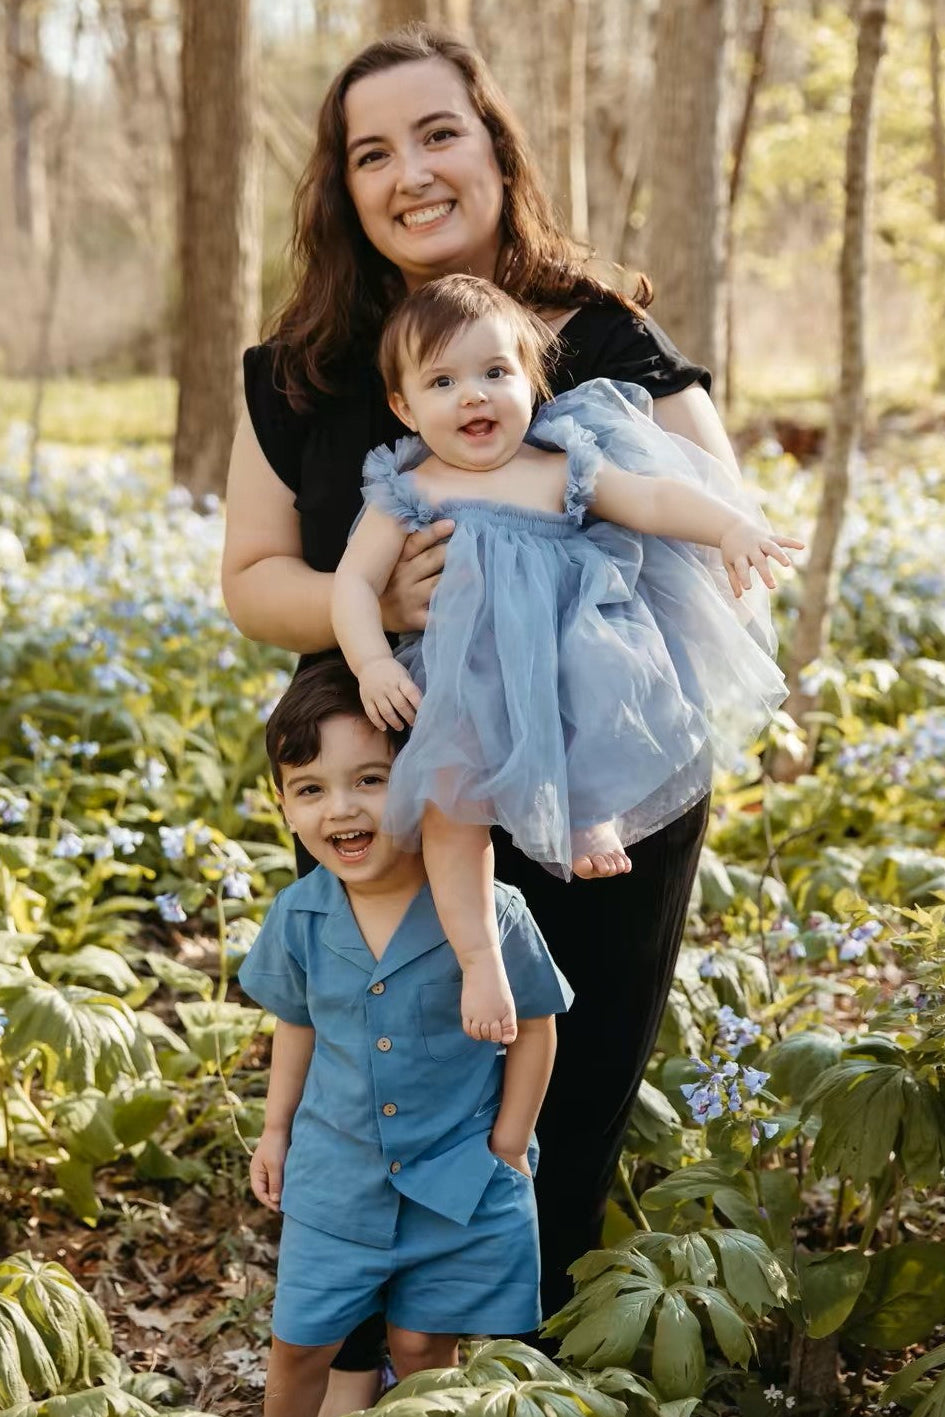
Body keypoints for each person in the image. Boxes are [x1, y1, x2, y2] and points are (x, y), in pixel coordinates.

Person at [221, 22, 755, 1391]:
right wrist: (393, 602)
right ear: (343, 188)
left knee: (551, 1093)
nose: (409, 172)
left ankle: (507, 1375)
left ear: (496, 149)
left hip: (597, 782)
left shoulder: (598, 330)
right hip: (389, 779)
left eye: (438, 133)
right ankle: (351, 1363)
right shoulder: (301, 365)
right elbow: (253, 580)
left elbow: (717, 528)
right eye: (371, 151)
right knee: (374, 1089)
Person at [332, 274, 800, 1044]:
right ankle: (478, 955)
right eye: (443, 382)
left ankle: (587, 813)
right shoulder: (409, 486)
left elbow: (649, 500)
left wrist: (728, 527)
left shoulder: (558, 465)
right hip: (462, 686)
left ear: (531, 381)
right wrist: (372, 662)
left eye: (495, 373)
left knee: (606, 683)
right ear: (404, 407)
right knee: (452, 819)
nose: (474, 397)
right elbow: (353, 581)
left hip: (560, 668)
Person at [240, 657, 572, 1417]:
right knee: (299, 1345)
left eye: (370, 779)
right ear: (285, 807)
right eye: (310, 789)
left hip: (455, 1175)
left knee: (425, 1349)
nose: (340, 810)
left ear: (425, 784)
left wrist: (511, 1143)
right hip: (336, 1177)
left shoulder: (492, 913)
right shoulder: (298, 914)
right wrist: (274, 1127)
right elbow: (296, 1021)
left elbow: (534, 1024)